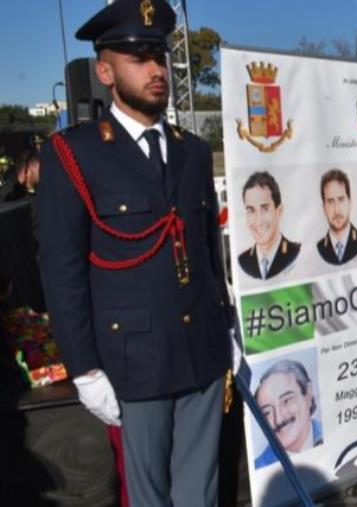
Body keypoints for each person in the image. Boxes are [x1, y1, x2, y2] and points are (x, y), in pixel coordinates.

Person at [36, 2, 231, 505]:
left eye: (159, 56)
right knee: (147, 495)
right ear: (105, 71)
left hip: (201, 352)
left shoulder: (191, 150)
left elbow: (208, 248)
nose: (156, 70)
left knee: (200, 491)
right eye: (137, 57)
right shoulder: (73, 153)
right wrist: (83, 367)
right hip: (134, 362)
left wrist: (224, 321)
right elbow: (62, 271)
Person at [253, 359, 323, 469]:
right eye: (267, 412)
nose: (279, 420)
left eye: (286, 401)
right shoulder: (259, 467)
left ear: (308, 394)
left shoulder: (335, 434)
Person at [238, 171, 300, 280]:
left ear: (279, 211)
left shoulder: (296, 253)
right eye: (251, 210)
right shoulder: (242, 262)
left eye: (265, 209)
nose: (259, 221)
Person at [317, 168, 357, 265]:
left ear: (350, 202)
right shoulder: (320, 248)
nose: (336, 209)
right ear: (324, 208)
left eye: (341, 199)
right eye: (330, 202)